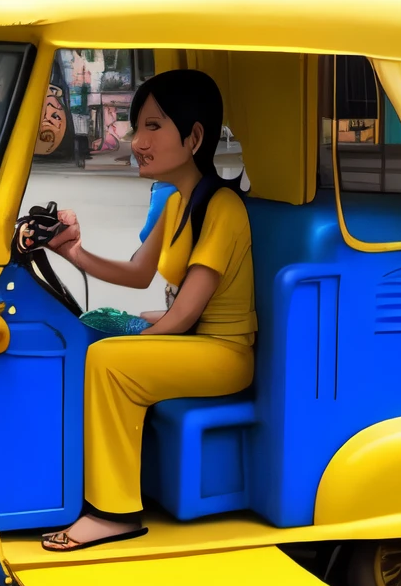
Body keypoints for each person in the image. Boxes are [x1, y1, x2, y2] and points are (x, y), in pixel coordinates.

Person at [40, 69, 256, 551]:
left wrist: (133, 337)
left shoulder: (221, 208)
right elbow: (139, 273)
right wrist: (71, 253)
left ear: (194, 136)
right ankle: (83, 481)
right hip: (193, 340)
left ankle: (114, 513)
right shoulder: (177, 203)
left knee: (109, 360)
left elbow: (183, 315)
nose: (136, 142)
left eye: (153, 127)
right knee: (90, 329)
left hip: (223, 353)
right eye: (137, 127)